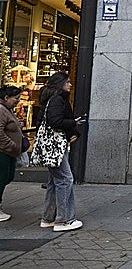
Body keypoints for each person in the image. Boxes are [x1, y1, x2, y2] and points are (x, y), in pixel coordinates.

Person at [38, 72, 86, 232]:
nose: (70, 85)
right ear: (60, 84)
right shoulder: (57, 100)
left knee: (55, 180)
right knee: (65, 179)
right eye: (67, 82)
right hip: (55, 146)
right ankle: (64, 220)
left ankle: (49, 217)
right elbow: (55, 121)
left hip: (54, 145)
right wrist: (73, 123)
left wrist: (73, 129)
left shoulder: (51, 99)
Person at [0, 86, 24, 221]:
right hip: (3, 152)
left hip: (9, 152)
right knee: (1, 178)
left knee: (7, 177)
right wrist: (11, 145)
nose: (18, 101)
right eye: (16, 98)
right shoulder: (1, 110)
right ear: (6, 98)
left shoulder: (7, 110)